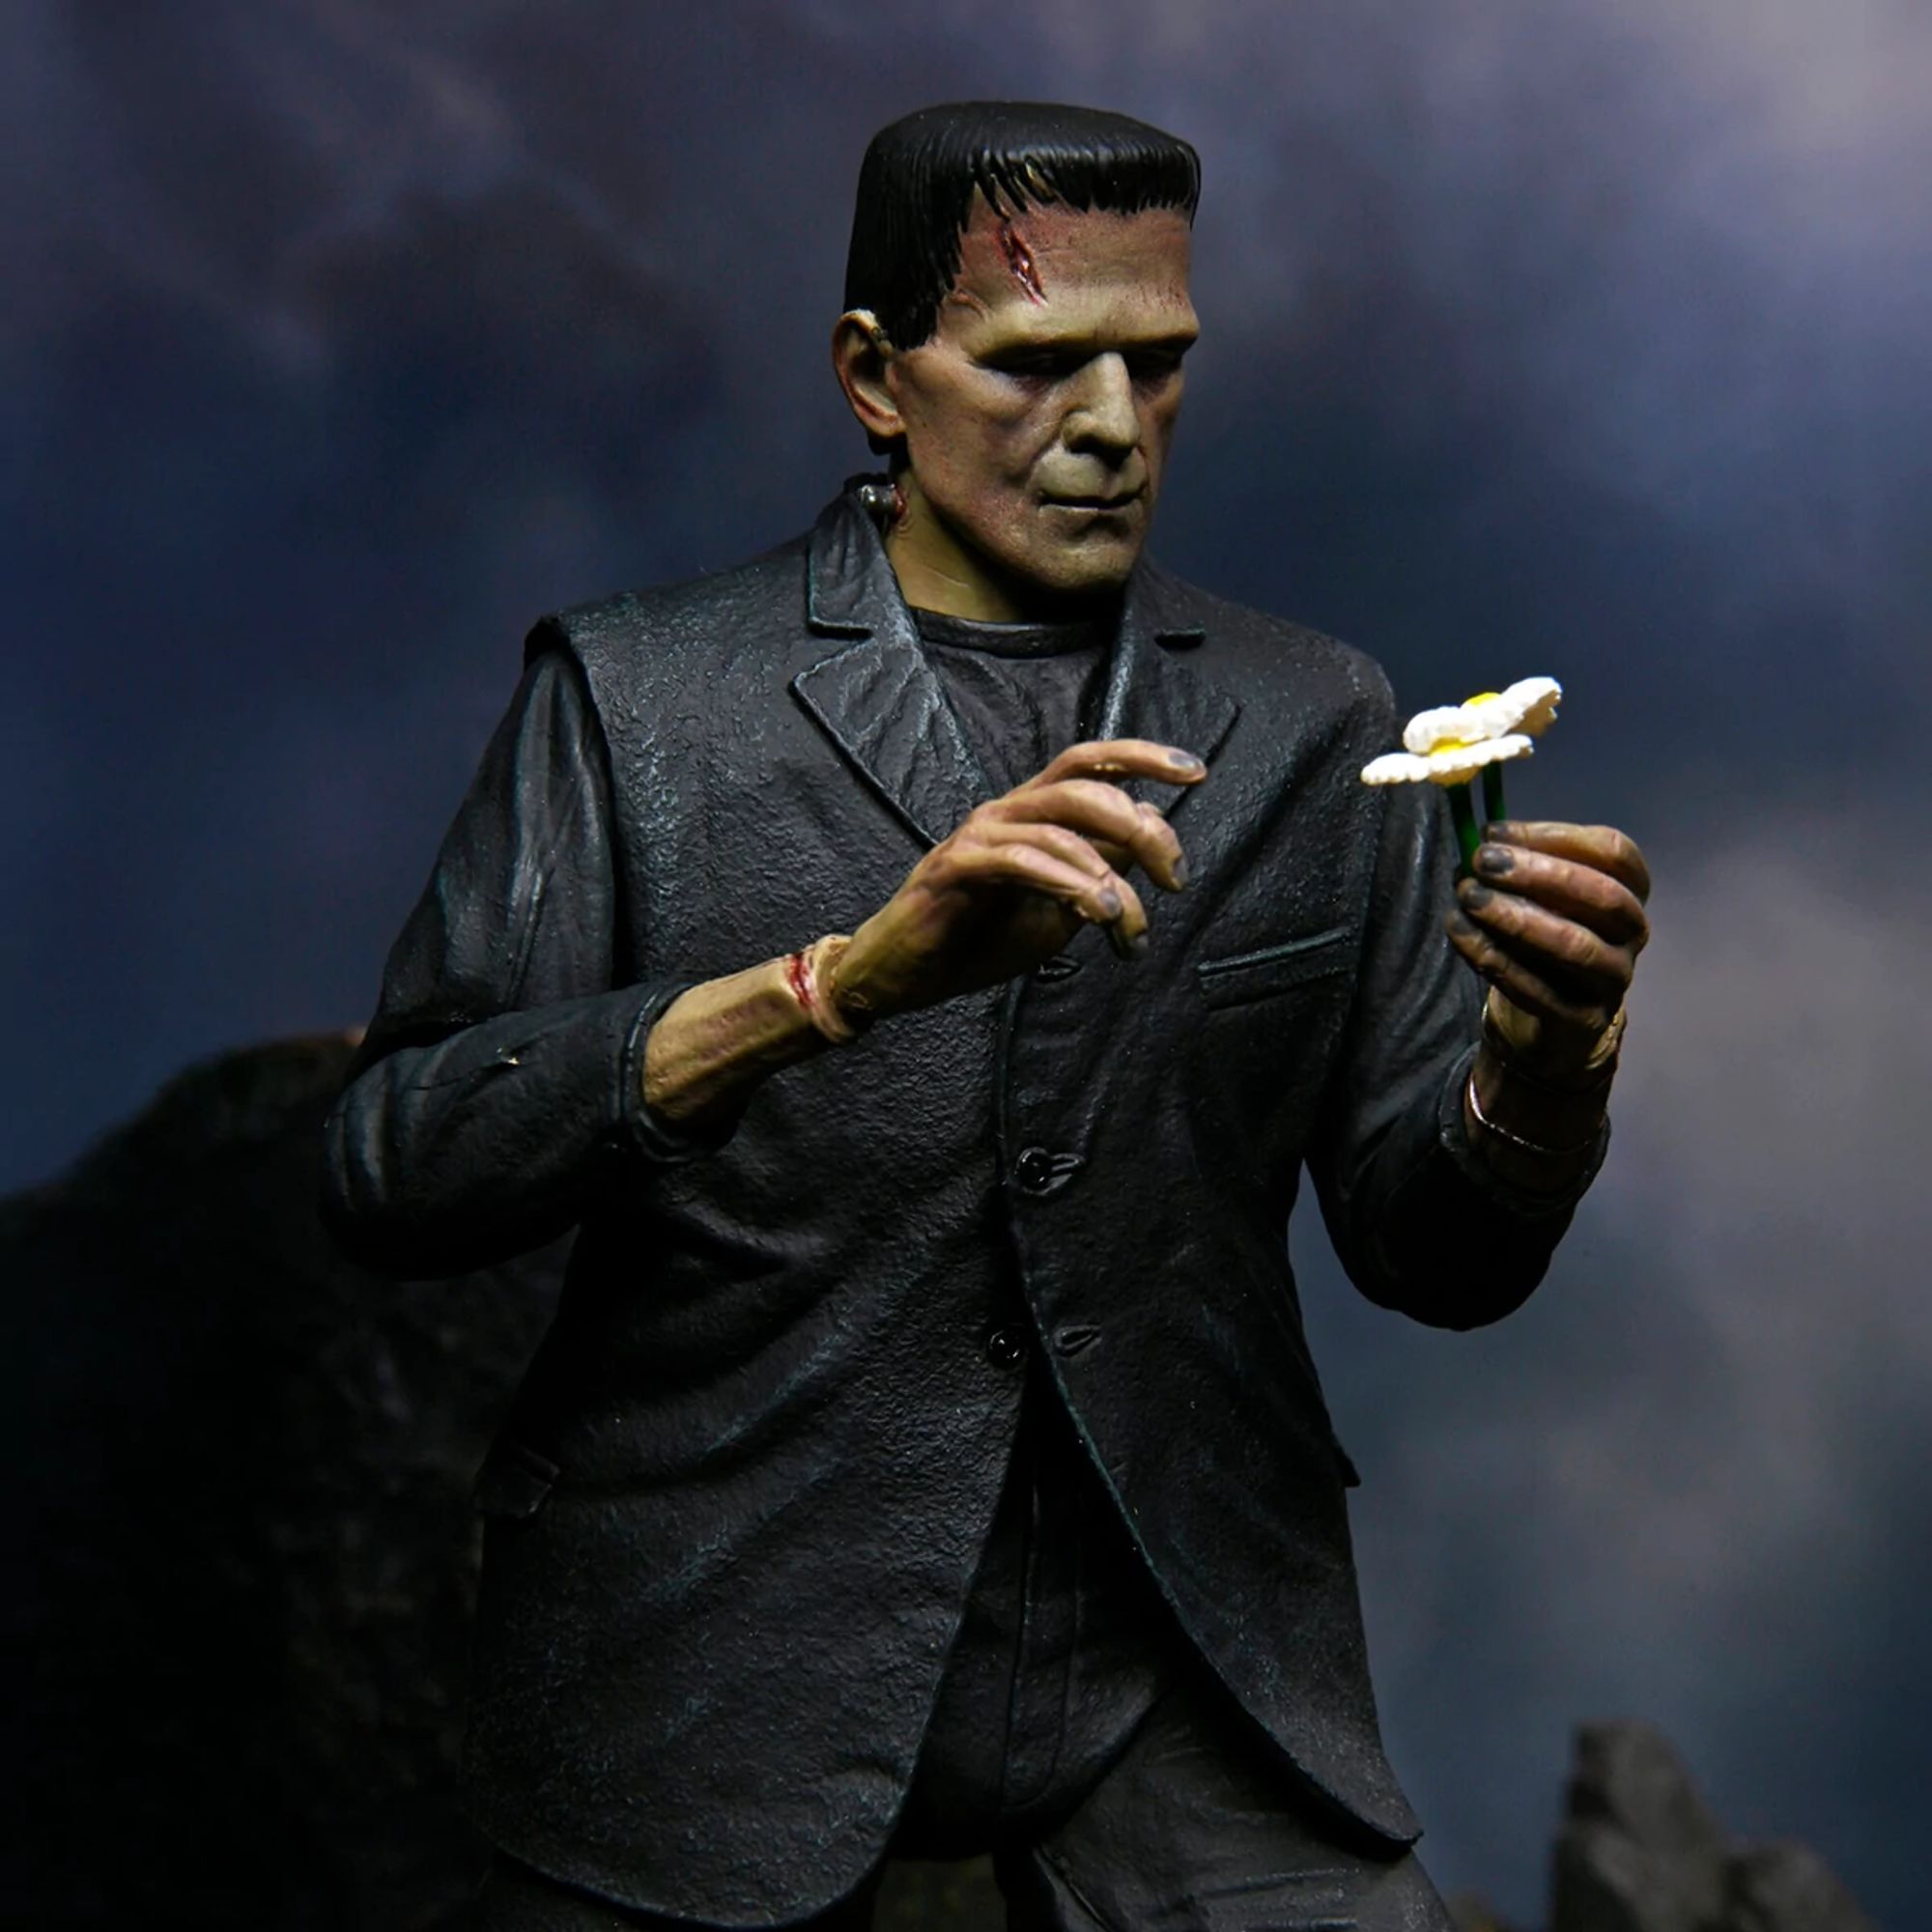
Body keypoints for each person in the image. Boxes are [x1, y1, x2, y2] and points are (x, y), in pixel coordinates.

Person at [324, 101, 1650, 1932]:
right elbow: (396, 1163)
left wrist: (1544, 1071)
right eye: (1036, 363)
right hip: (706, 1641)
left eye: (1156, 363)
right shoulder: (637, 701)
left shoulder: (1316, 723)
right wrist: (834, 989)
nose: (1112, 424)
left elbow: (1438, 1257)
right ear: (876, 377)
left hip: (1189, 1639)